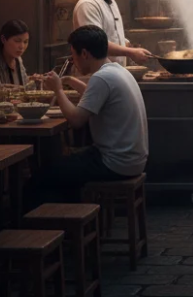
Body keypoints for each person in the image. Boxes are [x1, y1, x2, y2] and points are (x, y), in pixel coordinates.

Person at [39, 25, 148, 200]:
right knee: (66, 167)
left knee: (46, 175)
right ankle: (75, 220)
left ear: (84, 54)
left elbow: (76, 120)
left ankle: (57, 223)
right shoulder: (116, 71)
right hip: (134, 160)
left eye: (73, 55)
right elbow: (94, 96)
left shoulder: (101, 78)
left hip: (116, 163)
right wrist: (70, 81)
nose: (73, 60)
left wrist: (58, 90)